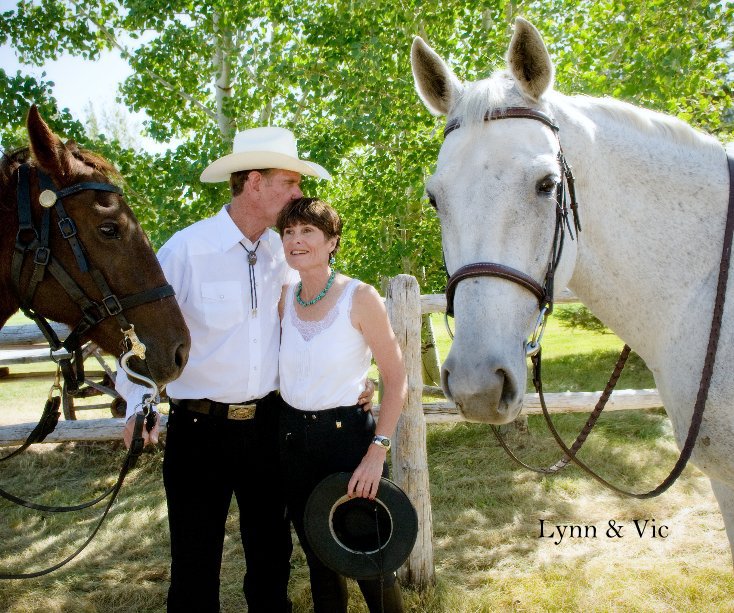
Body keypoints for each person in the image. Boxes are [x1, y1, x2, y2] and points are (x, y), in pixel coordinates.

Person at [116, 128, 373, 612]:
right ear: (255, 183)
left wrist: (358, 376)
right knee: (194, 563)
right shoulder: (185, 250)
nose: (300, 195)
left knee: (272, 560)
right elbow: (138, 338)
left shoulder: (288, 252)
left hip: (271, 431)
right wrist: (137, 405)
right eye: (290, 183)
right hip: (198, 430)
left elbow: (318, 321)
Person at [276, 197, 408, 613]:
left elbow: (395, 376)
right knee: (320, 559)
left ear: (332, 241)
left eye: (307, 232)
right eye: (289, 232)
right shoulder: (284, 299)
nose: (296, 241)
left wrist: (376, 451)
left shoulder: (360, 296)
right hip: (293, 442)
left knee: (370, 557)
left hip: (349, 442)